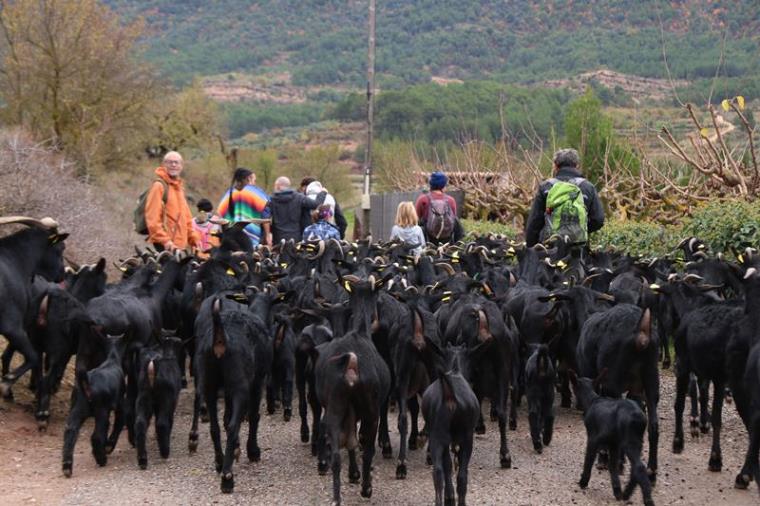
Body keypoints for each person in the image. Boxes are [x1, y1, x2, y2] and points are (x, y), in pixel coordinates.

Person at [524, 148, 605, 247]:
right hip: (579, 249)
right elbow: (598, 219)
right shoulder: (588, 187)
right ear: (577, 165)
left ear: (556, 166)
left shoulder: (546, 187)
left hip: (550, 247)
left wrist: (531, 248)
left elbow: (534, 222)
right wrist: (580, 229)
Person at [145, 151, 200, 252]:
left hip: (179, 246)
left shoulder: (179, 188)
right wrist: (165, 241)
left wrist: (193, 238)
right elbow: (152, 220)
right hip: (166, 246)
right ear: (163, 165)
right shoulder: (159, 186)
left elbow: (187, 218)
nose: (173, 165)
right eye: (169, 162)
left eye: (176, 162)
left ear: (181, 166)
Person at [217, 168, 272, 247]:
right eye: (254, 180)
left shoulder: (229, 193)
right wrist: (267, 234)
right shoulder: (255, 193)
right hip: (252, 233)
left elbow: (220, 214)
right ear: (248, 179)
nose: (254, 183)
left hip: (232, 235)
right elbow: (265, 213)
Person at [268, 176, 326, 243]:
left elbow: (265, 217)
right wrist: (323, 193)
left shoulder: (271, 199)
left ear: (278, 186)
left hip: (278, 238)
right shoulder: (299, 197)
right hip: (296, 238)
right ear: (288, 186)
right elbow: (316, 204)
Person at [414, 171, 462, 245]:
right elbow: (453, 220)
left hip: (427, 240)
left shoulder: (423, 200)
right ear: (443, 185)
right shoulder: (450, 200)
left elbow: (415, 221)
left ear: (430, 184)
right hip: (447, 241)